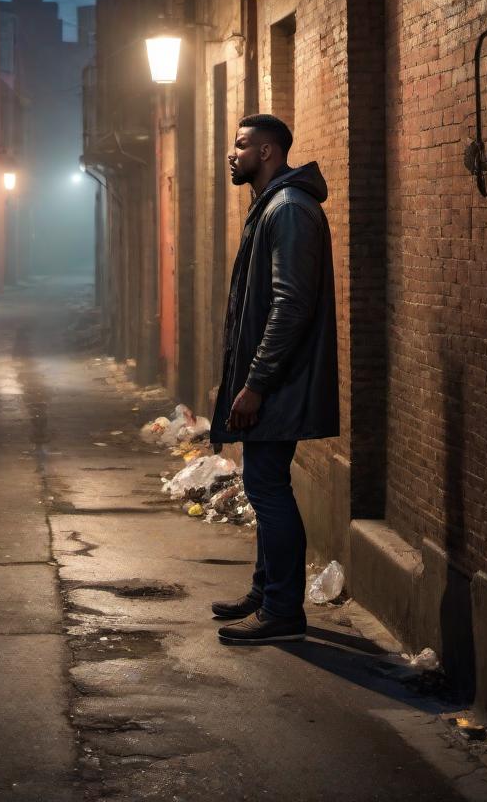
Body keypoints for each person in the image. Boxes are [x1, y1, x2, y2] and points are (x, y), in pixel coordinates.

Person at [209, 114, 339, 644]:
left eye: (241, 146)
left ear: (267, 152)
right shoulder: (273, 207)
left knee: (268, 488)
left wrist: (256, 383)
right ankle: (267, 592)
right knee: (265, 485)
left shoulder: (287, 211)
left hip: (280, 383)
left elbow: (290, 306)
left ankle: (283, 611)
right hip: (274, 380)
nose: (232, 154)